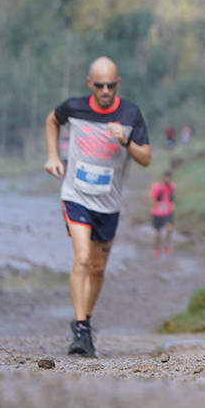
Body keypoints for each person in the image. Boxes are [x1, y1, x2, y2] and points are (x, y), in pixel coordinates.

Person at [44, 56, 151, 357]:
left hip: (109, 202)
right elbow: (52, 119)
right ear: (90, 83)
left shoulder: (131, 114)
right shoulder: (74, 107)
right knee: (81, 259)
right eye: (100, 85)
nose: (106, 91)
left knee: (98, 267)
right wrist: (53, 156)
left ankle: (85, 321)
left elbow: (145, 158)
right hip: (76, 196)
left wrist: (126, 141)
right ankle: (81, 329)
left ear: (118, 83)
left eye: (111, 85)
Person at [150, 170, 175, 258]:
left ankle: (166, 246)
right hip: (157, 212)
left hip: (167, 212)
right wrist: (157, 206)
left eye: (169, 178)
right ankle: (156, 249)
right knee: (158, 233)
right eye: (166, 177)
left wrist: (172, 206)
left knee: (169, 229)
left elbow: (172, 198)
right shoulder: (157, 187)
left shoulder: (172, 186)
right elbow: (152, 199)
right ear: (163, 177)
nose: (167, 179)